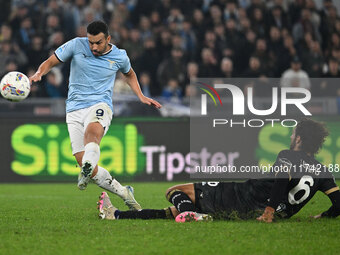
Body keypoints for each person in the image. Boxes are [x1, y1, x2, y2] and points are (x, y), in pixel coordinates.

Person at [29, 20, 162, 210]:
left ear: (108, 39)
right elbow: (50, 61)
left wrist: (140, 95)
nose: (93, 46)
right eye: (90, 42)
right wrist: (39, 73)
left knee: (92, 134)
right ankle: (124, 192)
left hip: (100, 104)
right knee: (84, 162)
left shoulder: (119, 56)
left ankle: (86, 168)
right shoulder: (76, 44)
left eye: (98, 42)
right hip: (74, 109)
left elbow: (130, 74)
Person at [97, 119, 340, 222]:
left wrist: (267, 212)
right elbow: (339, 204)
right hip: (271, 211)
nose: (290, 135)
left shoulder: (288, 155)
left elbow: (278, 183)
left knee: (174, 190)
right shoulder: (322, 171)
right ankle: (117, 215)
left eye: (293, 133)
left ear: (299, 139)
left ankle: (193, 217)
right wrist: (323, 216)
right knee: (175, 210)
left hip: (246, 198)